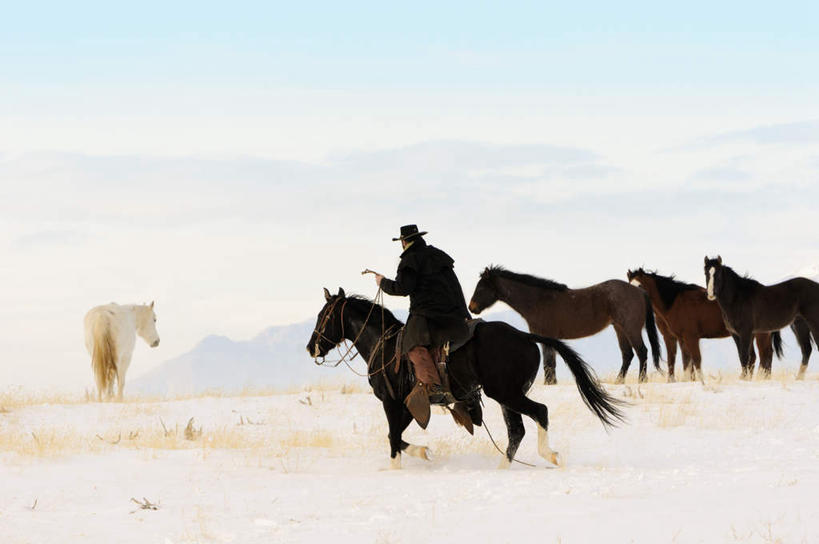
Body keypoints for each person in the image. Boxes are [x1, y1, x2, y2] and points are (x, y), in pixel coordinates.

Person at [374, 225, 472, 429]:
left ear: (403, 241)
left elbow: (402, 288)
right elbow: (456, 287)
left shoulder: (409, 260)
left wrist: (382, 282)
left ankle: (432, 386)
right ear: (418, 238)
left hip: (427, 315)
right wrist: (464, 315)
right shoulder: (438, 255)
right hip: (453, 314)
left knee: (411, 345)